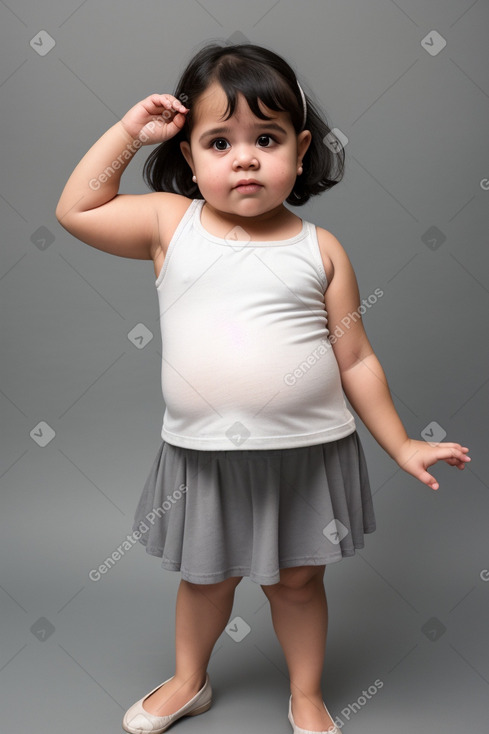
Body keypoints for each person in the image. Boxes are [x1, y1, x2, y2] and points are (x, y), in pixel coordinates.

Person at [55, 42, 471, 734]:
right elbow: (76, 209)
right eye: (218, 142)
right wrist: (128, 133)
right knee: (205, 579)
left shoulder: (320, 248)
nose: (243, 158)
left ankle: (304, 694)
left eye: (266, 139)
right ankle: (190, 681)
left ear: (300, 150)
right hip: (203, 458)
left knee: (299, 582)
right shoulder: (168, 225)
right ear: (188, 156)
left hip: (308, 454)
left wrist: (401, 445)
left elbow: (356, 358)